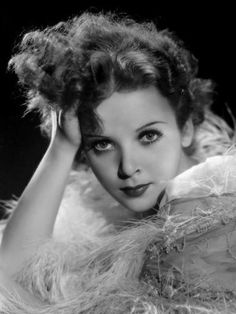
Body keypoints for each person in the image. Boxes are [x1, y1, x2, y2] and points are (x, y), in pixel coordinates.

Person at [0, 11, 235, 314]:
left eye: (148, 136)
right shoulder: (113, 224)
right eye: (103, 144)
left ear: (186, 127)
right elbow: (7, 281)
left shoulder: (214, 211)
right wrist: (61, 147)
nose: (127, 167)